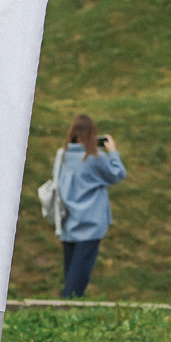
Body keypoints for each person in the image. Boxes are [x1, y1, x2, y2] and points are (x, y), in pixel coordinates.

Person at [55, 114, 126, 299]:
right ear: (92, 133)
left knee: (71, 270)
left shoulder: (62, 155)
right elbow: (117, 174)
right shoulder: (95, 157)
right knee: (80, 272)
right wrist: (113, 152)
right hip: (91, 222)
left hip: (67, 218)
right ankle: (67, 308)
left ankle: (67, 306)